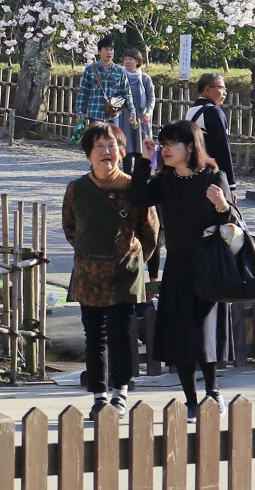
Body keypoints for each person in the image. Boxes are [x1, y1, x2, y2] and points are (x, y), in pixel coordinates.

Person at [130, 119, 237, 414]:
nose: (164, 149)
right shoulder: (165, 181)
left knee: (205, 331)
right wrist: (144, 160)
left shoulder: (213, 177)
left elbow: (230, 225)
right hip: (177, 265)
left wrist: (222, 206)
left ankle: (213, 391)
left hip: (208, 264)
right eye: (162, 144)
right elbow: (138, 197)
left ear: (189, 147)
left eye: (170, 144)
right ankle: (190, 401)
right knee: (181, 334)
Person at [62, 122, 159, 421]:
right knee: (95, 336)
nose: (106, 152)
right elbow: (70, 228)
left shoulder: (134, 188)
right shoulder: (77, 188)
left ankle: (121, 393)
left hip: (124, 272)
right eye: (99, 147)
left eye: (112, 146)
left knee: (120, 335)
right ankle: (98, 395)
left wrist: (132, 258)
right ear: (88, 154)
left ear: (121, 152)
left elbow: (151, 233)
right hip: (89, 273)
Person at [184, 72, 235, 183]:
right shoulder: (214, 111)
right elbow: (222, 148)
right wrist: (230, 183)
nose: (225, 93)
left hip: (189, 169)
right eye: (221, 88)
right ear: (207, 90)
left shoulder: (190, 111)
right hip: (209, 173)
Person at [76, 35, 129, 126]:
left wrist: (132, 112)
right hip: (95, 114)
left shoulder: (120, 71)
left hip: (113, 115)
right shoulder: (90, 70)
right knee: (95, 140)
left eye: (111, 49)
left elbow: (127, 92)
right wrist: (80, 111)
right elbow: (83, 92)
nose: (109, 52)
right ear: (99, 52)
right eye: (106, 49)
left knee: (112, 139)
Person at [116, 48, 156, 157]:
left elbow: (151, 98)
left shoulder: (145, 78)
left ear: (137, 61)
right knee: (125, 146)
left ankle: (139, 173)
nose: (127, 61)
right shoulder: (119, 77)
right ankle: (127, 172)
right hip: (125, 116)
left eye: (131, 59)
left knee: (142, 148)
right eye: (125, 59)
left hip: (142, 117)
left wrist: (148, 112)